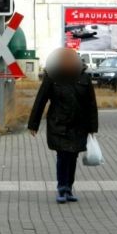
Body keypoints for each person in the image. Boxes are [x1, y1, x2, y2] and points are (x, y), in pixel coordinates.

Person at [27, 47, 98, 203]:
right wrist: (33, 124)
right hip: (58, 124)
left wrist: (93, 128)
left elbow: (91, 104)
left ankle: (69, 188)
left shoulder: (84, 78)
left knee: (73, 156)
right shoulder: (52, 77)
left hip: (79, 125)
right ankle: (62, 188)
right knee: (62, 155)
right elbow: (41, 100)